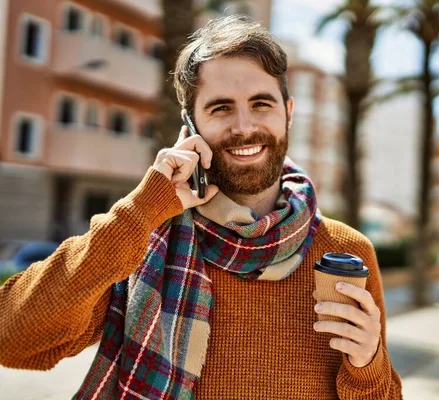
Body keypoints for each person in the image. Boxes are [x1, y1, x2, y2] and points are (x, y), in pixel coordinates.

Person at [0, 15, 402, 399]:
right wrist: (143, 210)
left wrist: (368, 365)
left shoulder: (347, 251)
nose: (244, 126)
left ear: (288, 113)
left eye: (261, 104)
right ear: (189, 125)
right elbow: (11, 339)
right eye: (221, 107)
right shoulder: (138, 241)